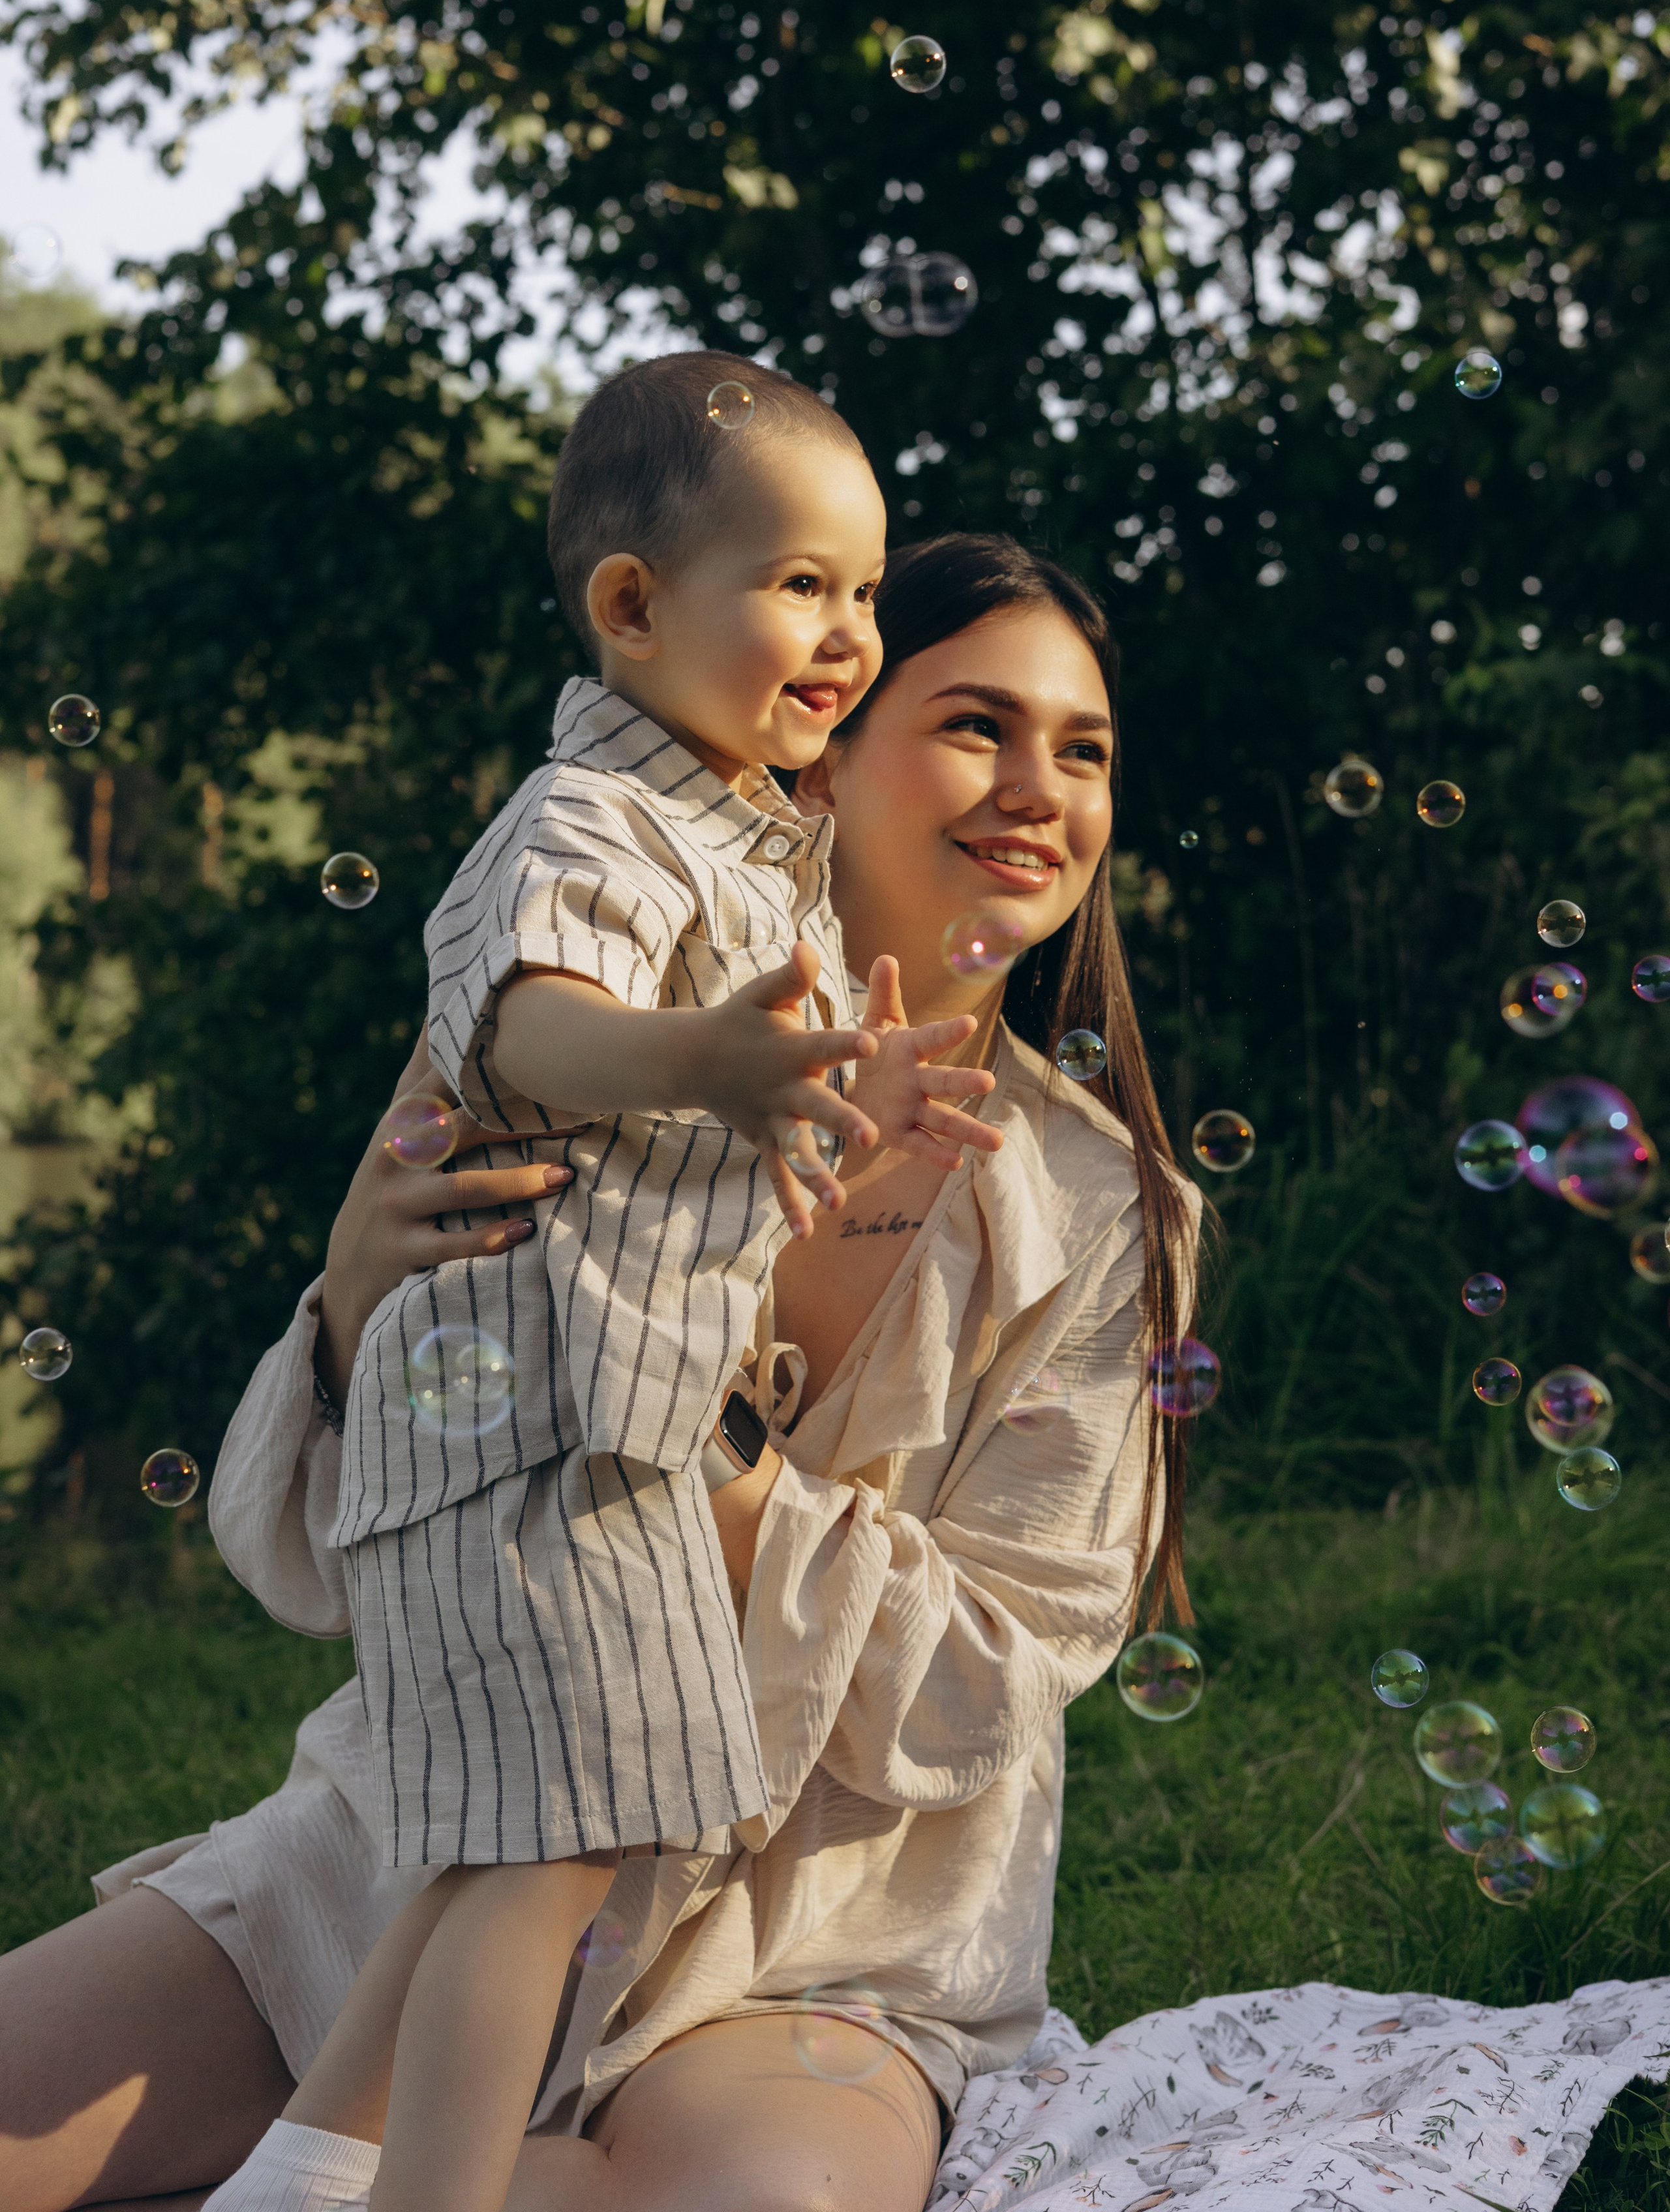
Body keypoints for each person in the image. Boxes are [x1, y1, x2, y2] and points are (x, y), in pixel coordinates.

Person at [0, 532, 1200, 2212]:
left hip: (813, 1947)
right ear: (825, 744)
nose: (1038, 790)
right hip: (435, 1847)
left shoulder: (1098, 1210)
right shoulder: (567, 1042)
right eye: (976, 726)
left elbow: (987, 1675)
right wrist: (352, 1309)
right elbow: (328, 1560)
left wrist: (697, 1454)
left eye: (1082, 751)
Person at [213, 355, 1001, 2212]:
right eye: (800, 582)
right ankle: (436, 2197)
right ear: (632, 607)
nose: (846, 631)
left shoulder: (746, 840)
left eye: (867, 591)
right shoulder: (591, 821)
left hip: (594, 1422)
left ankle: (309, 2175)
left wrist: (833, 1091)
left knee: (525, 1836)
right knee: (562, 1848)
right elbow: (536, 1025)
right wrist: (713, 1062)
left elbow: (708, 1116)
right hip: (531, 1416)